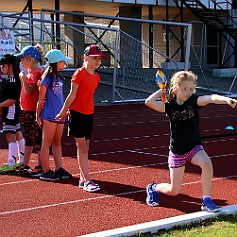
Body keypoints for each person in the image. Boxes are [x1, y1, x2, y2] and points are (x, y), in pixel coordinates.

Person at [145, 70, 237, 212]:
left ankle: (206, 199)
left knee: (206, 163)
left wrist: (226, 100)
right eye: (185, 89)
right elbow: (148, 102)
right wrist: (161, 91)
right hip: (177, 152)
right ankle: (153, 188)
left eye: (191, 89)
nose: (188, 92)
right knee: (174, 190)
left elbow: (210, 98)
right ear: (176, 88)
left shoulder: (194, 102)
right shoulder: (169, 107)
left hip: (193, 148)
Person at [56, 44, 105, 192]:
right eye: (94, 58)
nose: (97, 61)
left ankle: (83, 179)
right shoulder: (79, 73)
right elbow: (72, 95)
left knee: (86, 147)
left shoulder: (97, 77)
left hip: (89, 113)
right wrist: (64, 111)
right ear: (85, 58)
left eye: (99, 59)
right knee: (82, 148)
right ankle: (87, 180)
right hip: (76, 113)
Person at [36, 49, 72, 181]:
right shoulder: (46, 79)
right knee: (46, 142)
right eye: (63, 61)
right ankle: (45, 170)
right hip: (49, 115)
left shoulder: (59, 77)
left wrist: (64, 110)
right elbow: (41, 100)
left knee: (57, 142)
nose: (64, 64)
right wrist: (37, 115)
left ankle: (58, 168)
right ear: (57, 63)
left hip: (59, 116)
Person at [16, 44, 46, 177]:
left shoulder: (36, 73)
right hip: (26, 110)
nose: (21, 61)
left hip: (33, 111)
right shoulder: (30, 73)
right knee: (28, 138)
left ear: (31, 59)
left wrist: (23, 79)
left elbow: (29, 92)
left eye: (23, 59)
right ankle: (25, 163)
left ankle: (40, 165)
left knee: (37, 139)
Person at [0, 54, 25, 174]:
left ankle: (11, 163)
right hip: (11, 111)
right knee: (17, 132)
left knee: (10, 136)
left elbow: (12, 100)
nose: (2, 67)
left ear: (10, 66)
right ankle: (22, 160)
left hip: (11, 112)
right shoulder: (11, 80)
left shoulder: (13, 81)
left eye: (4, 65)